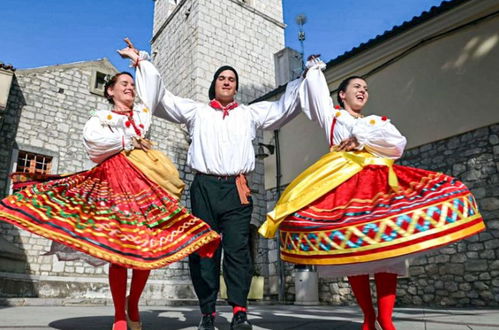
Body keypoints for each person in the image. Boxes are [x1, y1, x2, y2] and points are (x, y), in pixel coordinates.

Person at [259, 57, 485, 330]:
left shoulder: (377, 122)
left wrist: (362, 139)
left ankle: (385, 319)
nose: (363, 90)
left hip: (380, 183)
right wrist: (314, 71)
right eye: (356, 86)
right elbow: (316, 94)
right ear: (342, 95)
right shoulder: (334, 117)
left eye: (365, 87)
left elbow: (396, 144)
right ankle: (368, 316)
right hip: (346, 183)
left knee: (387, 251)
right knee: (357, 251)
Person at [0, 66, 221, 330]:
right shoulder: (101, 116)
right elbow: (93, 139)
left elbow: (152, 88)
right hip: (113, 182)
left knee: (144, 246)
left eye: (131, 84)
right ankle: (119, 314)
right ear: (110, 90)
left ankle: (133, 301)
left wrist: (141, 62)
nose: (129, 87)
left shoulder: (141, 114)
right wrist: (127, 139)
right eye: (123, 83)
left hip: (143, 182)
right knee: (119, 252)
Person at [118, 40, 304, 330]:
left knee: (238, 250)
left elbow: (283, 108)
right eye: (222, 78)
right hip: (203, 187)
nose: (227, 82)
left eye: (232, 79)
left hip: (237, 189)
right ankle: (207, 312)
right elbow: (162, 98)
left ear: (236, 87)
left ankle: (240, 311)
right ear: (214, 85)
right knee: (204, 250)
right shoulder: (196, 112)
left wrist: (307, 80)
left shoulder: (249, 114)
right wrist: (142, 62)